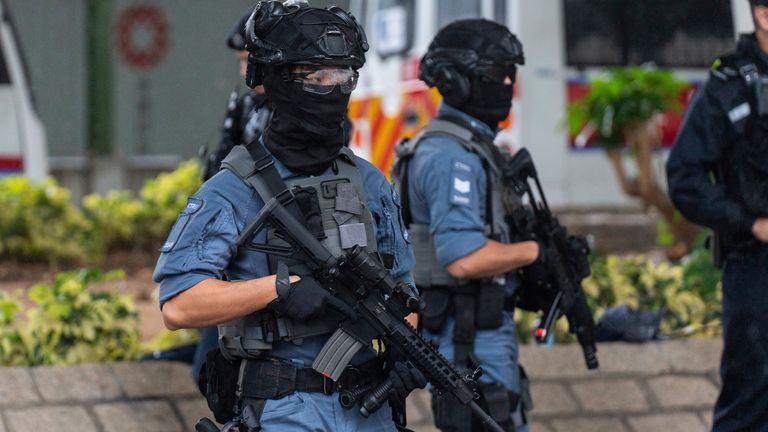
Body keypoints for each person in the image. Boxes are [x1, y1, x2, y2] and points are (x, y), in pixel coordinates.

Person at [154, 1, 425, 431]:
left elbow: (406, 293)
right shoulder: (234, 188)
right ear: (277, 81)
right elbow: (180, 305)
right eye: (315, 77)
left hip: (367, 406)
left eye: (342, 77)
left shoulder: (369, 182)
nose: (332, 89)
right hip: (284, 406)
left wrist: (404, 347)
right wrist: (279, 289)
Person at [391, 19, 539, 431]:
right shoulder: (449, 155)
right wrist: (533, 252)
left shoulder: (465, 146)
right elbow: (463, 259)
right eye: (497, 74)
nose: (508, 83)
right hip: (469, 337)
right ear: (458, 82)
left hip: (477, 332)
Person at [666, 1, 768, 430]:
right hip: (756, 270)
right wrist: (751, 223)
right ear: (764, 16)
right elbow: (684, 177)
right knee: (751, 402)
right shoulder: (729, 85)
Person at [201, 9, 272, 182]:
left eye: (249, 61)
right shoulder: (246, 105)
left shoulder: (298, 107)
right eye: (240, 61)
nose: (243, 72)